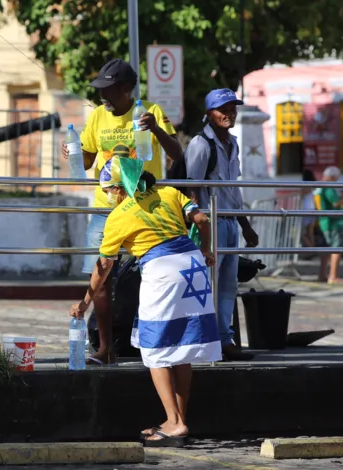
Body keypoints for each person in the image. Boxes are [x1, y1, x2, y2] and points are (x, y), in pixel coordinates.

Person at [69, 157, 221, 447]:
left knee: (156, 349)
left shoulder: (119, 216)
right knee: (183, 348)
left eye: (112, 190)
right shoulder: (168, 192)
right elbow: (201, 219)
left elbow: (103, 267)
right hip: (193, 267)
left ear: (120, 187)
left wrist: (85, 302)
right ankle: (178, 418)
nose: (111, 195)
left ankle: (174, 423)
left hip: (162, 272)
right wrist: (206, 249)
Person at [61, 59, 183, 365]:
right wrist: (72, 151)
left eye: (109, 89)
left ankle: (158, 344)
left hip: (145, 207)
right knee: (100, 278)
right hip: (106, 209)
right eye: (100, 89)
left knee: (155, 277)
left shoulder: (149, 112)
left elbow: (177, 152)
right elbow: (86, 161)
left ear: (127, 89)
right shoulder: (98, 116)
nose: (103, 96)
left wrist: (155, 129)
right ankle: (105, 348)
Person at [183, 88, 258, 361]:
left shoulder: (233, 143)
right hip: (209, 223)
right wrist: (197, 222)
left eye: (232, 108)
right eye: (222, 109)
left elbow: (232, 189)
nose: (229, 113)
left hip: (229, 223)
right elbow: (192, 187)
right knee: (205, 285)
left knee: (228, 285)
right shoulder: (201, 144)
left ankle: (224, 339)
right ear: (209, 113)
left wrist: (245, 225)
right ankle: (203, 340)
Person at [313, 166, 343, 284]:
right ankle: (333, 276)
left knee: (325, 250)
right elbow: (335, 203)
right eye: (337, 177)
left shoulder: (319, 187)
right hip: (333, 222)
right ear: (332, 177)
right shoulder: (329, 187)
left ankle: (322, 275)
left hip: (323, 221)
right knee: (336, 249)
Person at [300, 169, 329, 280]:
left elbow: (301, 195)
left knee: (304, 231)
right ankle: (312, 245)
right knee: (310, 230)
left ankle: (311, 246)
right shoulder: (315, 185)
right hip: (314, 208)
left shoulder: (305, 186)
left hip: (306, 209)